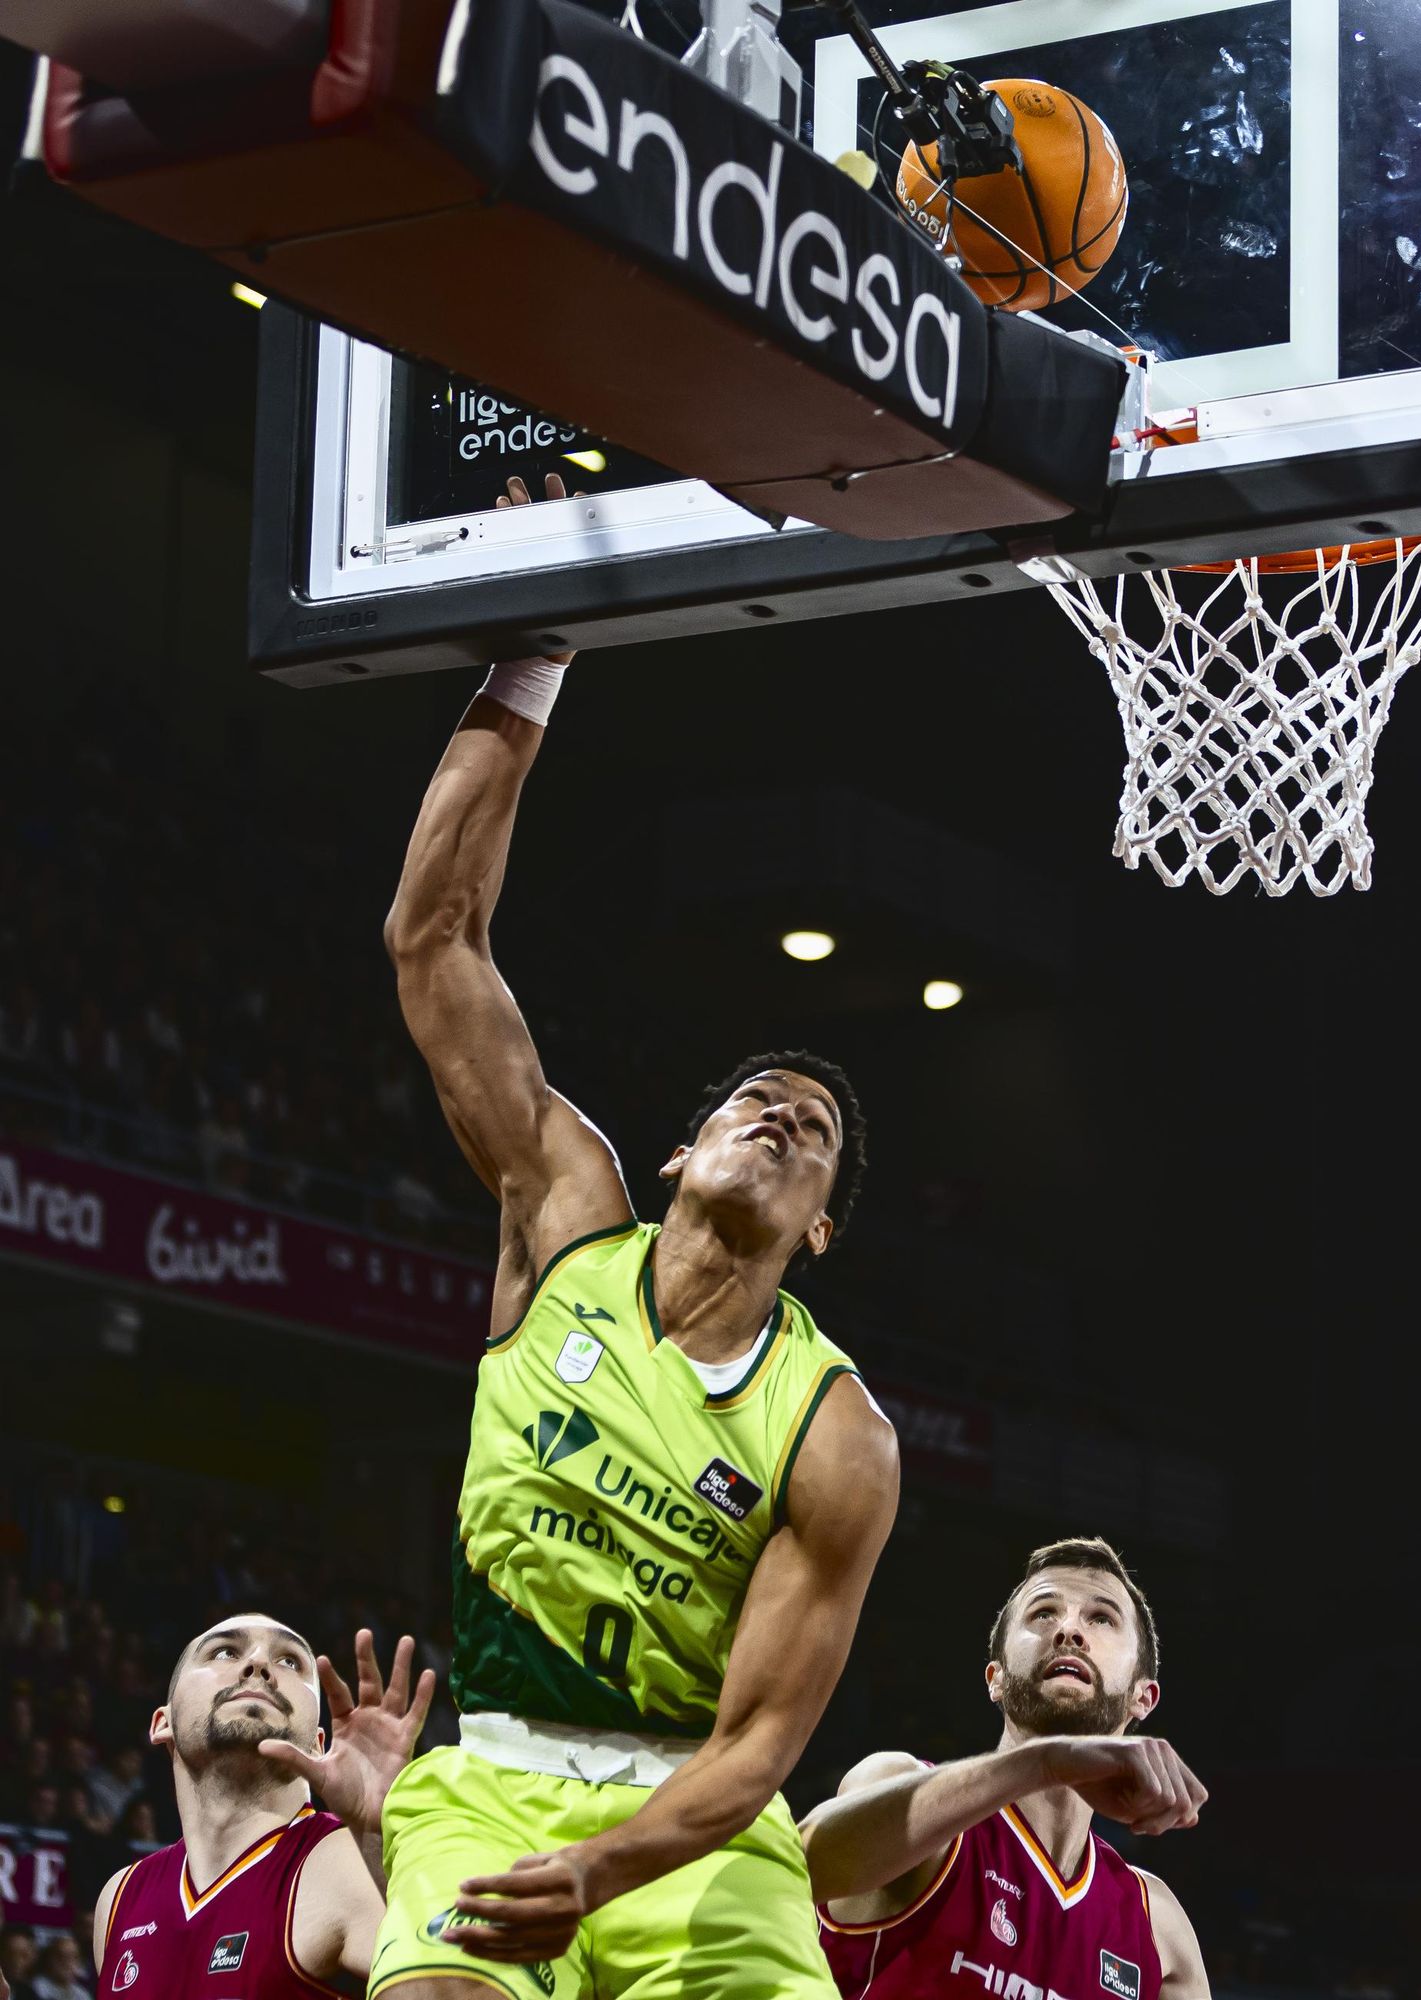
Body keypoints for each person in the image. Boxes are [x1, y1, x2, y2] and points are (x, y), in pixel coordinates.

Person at [375, 475, 900, 1999]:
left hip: (696, 1825)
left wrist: (602, 1875)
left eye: (815, 1130)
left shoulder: (836, 1431)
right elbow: (433, 941)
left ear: (819, 1229)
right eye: (755, 1099)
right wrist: (532, 659)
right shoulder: (562, 1217)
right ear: (681, 1155)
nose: (782, 1113)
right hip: (490, 1781)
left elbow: (760, 1744)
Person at [803, 1537, 1212, 2000]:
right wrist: (1047, 1763)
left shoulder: (1158, 1929)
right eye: (1043, 1613)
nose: (1069, 1631)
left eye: (1101, 1618)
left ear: (1144, 1696)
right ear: (995, 1679)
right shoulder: (900, 1786)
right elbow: (807, 1862)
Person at [90, 1617, 433, 1996]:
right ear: (162, 1723)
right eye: (225, 1652)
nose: (258, 1663)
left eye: (289, 1661)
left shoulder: (345, 1862)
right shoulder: (119, 1898)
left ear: (317, 1744)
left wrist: (377, 1840)